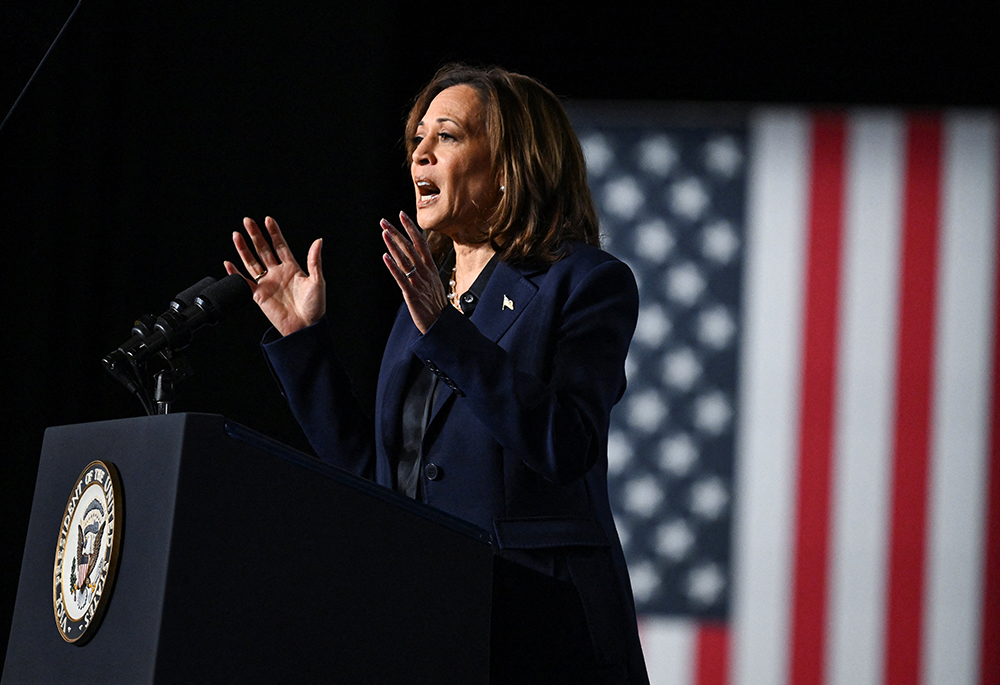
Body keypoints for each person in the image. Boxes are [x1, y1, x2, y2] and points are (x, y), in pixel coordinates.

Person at [226, 64, 649, 684]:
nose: (419, 152)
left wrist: (446, 332)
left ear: (510, 164)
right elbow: (375, 480)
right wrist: (303, 343)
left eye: (446, 136)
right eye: (417, 138)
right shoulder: (424, 301)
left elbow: (565, 444)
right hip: (429, 620)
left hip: (540, 626)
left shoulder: (585, 283)